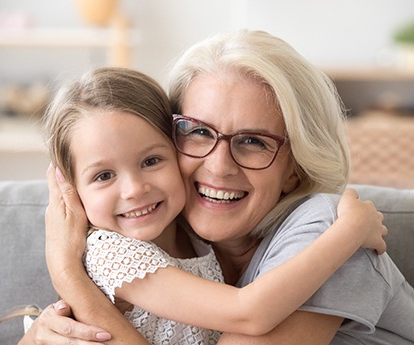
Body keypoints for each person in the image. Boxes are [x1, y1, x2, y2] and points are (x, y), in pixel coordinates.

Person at [21, 29, 414, 345]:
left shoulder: (325, 232)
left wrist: (68, 277)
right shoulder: (148, 235)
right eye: (197, 132)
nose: (218, 166)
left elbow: (250, 311)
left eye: (253, 141)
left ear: (295, 169)